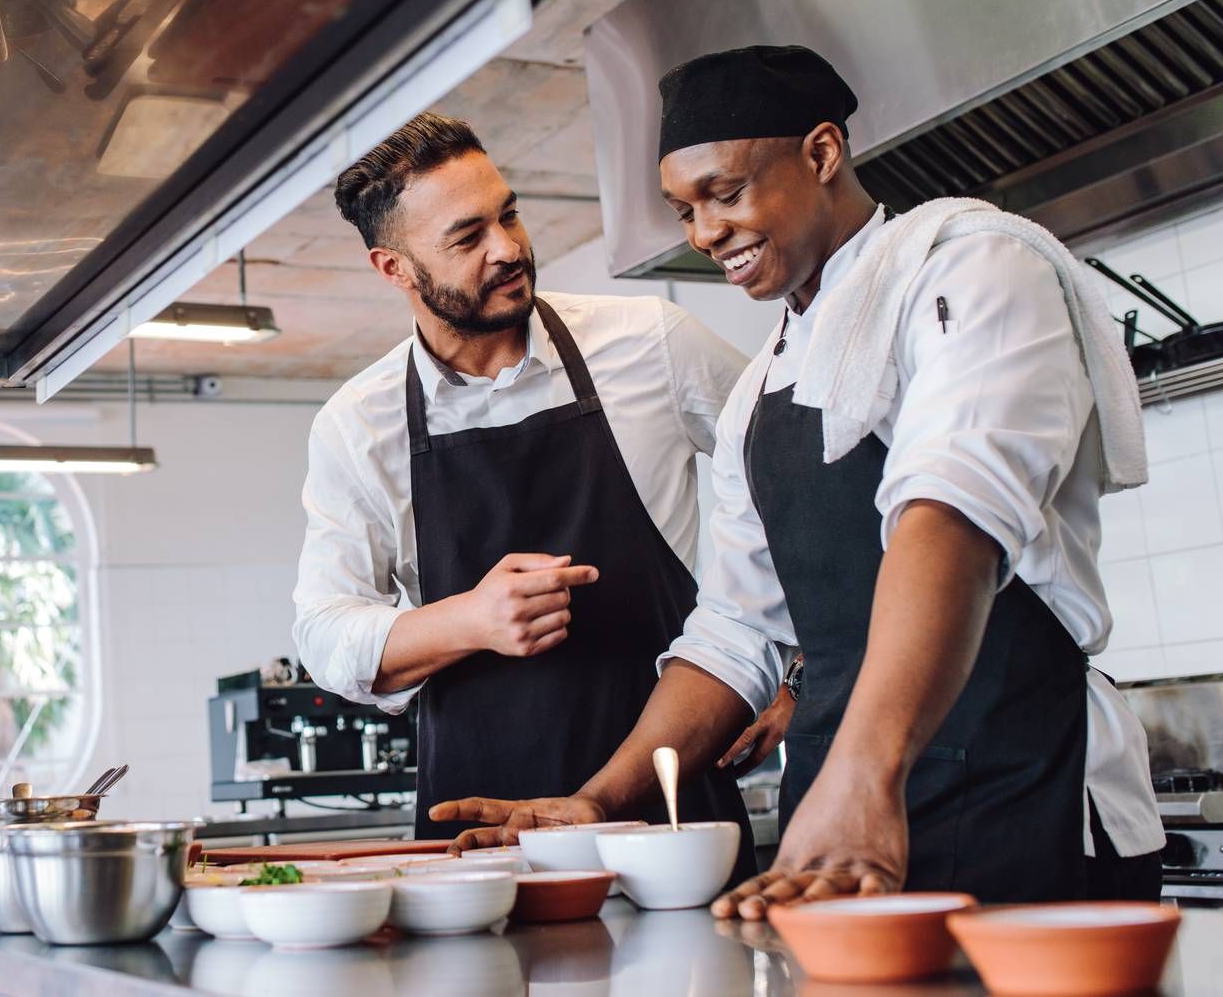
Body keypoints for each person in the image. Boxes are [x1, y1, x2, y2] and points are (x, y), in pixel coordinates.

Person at [432, 46, 1164, 914]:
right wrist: (599, 799)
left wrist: (865, 772)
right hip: (838, 825)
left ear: (821, 154)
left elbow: (954, 516)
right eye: (683, 210)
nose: (704, 234)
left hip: (1020, 785)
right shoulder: (757, 393)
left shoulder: (972, 269)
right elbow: (736, 633)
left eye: (726, 193)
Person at [292, 113, 762, 870]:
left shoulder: (652, 343)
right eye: (467, 236)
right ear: (394, 269)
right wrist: (471, 619)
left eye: (508, 213)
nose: (508, 247)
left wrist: (790, 673)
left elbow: (803, 484)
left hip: (670, 813)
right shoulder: (358, 424)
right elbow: (323, 634)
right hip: (482, 835)